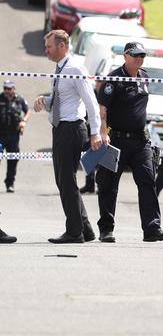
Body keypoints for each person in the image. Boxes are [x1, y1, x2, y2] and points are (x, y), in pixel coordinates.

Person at [95, 41, 163, 243]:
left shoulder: (144, 76)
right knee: (108, 185)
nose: (139, 59)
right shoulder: (113, 79)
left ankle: (152, 229)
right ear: (125, 56)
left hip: (140, 142)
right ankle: (106, 229)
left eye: (142, 55)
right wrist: (103, 132)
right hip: (115, 139)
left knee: (147, 182)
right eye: (135, 55)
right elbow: (102, 108)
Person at [33, 29, 102, 244]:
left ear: (62, 45)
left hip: (72, 128)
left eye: (49, 47)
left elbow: (90, 102)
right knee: (65, 180)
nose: (46, 51)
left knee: (66, 180)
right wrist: (44, 100)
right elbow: (61, 98)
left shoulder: (75, 69)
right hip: (62, 128)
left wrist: (95, 132)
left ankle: (74, 232)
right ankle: (86, 229)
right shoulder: (60, 68)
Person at [0, 80, 31, 193]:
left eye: (9, 88)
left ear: (14, 89)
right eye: (5, 88)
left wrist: (24, 121)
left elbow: (28, 111)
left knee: (13, 159)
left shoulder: (19, 99)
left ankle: (10, 183)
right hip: (0, 135)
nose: (7, 91)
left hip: (13, 135)